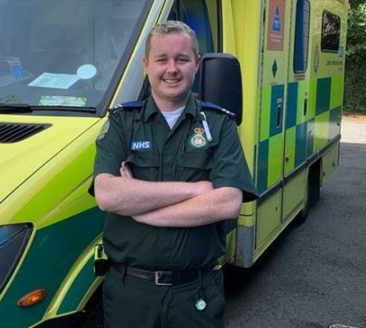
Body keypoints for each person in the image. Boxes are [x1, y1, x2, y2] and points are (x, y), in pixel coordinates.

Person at [90, 21, 258, 328]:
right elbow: (108, 194)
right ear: (146, 65)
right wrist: (194, 191)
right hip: (130, 295)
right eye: (162, 59)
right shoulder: (121, 124)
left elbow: (227, 203)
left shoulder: (220, 126)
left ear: (196, 63)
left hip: (196, 295)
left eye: (181, 59)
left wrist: (143, 211)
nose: (172, 69)